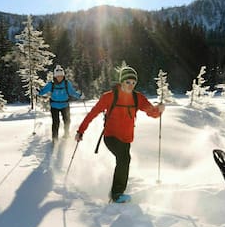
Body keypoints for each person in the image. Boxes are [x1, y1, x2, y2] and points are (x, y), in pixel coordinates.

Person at [75, 65, 165, 203]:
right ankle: (117, 194)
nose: (131, 85)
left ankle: (118, 190)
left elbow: (151, 112)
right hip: (110, 136)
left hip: (127, 138)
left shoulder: (138, 98)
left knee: (124, 160)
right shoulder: (109, 97)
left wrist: (158, 110)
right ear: (121, 82)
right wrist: (81, 131)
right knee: (124, 159)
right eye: (128, 82)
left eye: (133, 82)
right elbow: (92, 114)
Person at [39, 65, 83, 142]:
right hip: (54, 106)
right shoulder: (51, 84)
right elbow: (43, 91)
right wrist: (38, 92)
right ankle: (55, 138)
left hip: (65, 105)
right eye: (58, 76)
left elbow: (72, 92)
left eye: (61, 76)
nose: (60, 78)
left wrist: (79, 96)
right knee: (56, 123)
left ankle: (66, 134)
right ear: (55, 76)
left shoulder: (66, 83)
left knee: (67, 121)